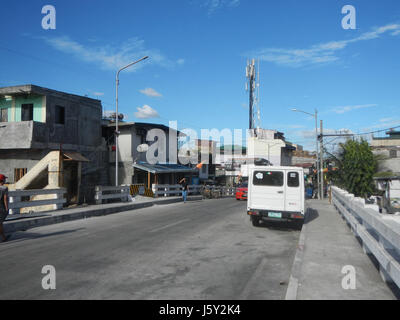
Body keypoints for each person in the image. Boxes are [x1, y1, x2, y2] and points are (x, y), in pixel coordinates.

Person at [0, 174, 10, 242]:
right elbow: (5, 198)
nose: (5, 180)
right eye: (4, 179)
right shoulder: (4, 188)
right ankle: (3, 237)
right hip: (1, 208)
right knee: (0, 223)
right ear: (2, 180)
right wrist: (7, 208)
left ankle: (3, 237)